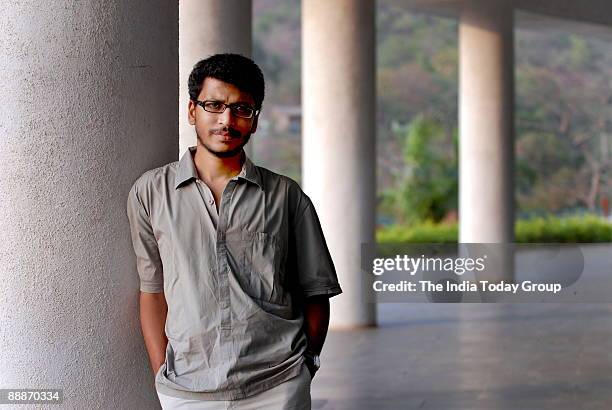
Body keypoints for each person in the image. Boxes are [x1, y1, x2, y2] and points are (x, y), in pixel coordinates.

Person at [126, 53, 342, 410]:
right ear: (193, 110)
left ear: (255, 120)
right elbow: (153, 291)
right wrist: (160, 374)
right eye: (214, 105)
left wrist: (306, 366)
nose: (227, 120)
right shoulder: (150, 193)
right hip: (188, 392)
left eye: (242, 109)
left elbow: (316, 291)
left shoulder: (286, 196)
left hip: (278, 386)